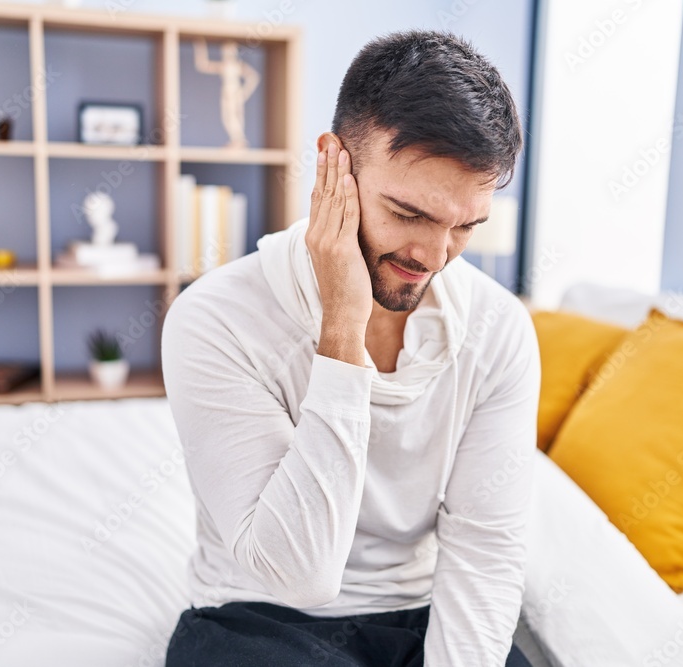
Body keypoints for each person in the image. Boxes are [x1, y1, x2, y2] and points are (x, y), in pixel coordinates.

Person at [162, 29, 539, 666]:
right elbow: (299, 574)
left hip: (418, 619)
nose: (434, 256)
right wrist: (342, 328)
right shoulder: (214, 318)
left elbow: (485, 549)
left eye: (465, 226)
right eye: (409, 214)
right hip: (258, 618)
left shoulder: (498, 328)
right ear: (334, 165)